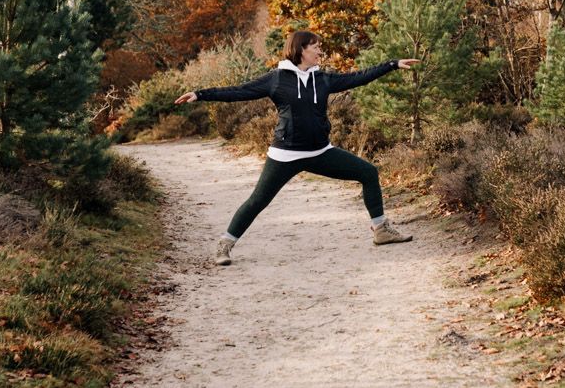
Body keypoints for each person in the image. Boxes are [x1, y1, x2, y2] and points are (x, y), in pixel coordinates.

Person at [174, 30, 421, 265]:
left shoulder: (322, 79)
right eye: (316, 47)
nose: (320, 52)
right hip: (285, 155)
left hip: (320, 152)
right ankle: (225, 245)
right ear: (301, 50)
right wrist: (200, 94)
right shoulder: (277, 79)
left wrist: (392, 64)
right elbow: (240, 91)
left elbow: (358, 77)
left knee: (368, 172)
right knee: (257, 201)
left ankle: (381, 230)